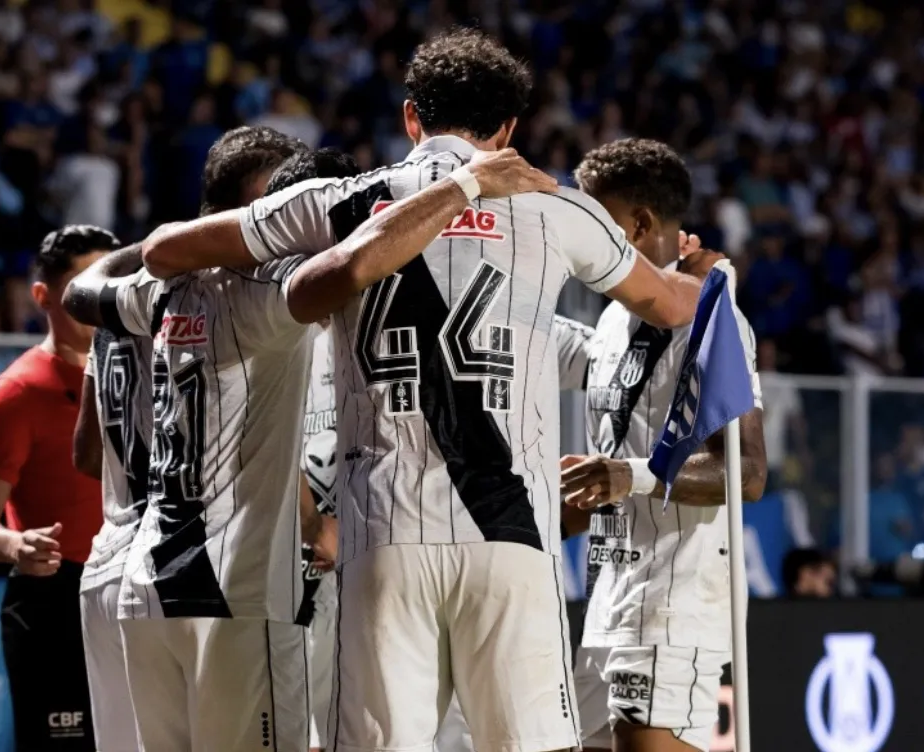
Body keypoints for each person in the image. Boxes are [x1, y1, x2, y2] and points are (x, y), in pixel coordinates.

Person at [137, 29, 719, 752]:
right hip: (511, 535)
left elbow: (165, 250)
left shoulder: (340, 201)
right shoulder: (559, 209)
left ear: (412, 117)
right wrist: (709, 272)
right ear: (508, 128)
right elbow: (668, 306)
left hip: (384, 534)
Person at [62, 146, 556, 751]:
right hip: (236, 590)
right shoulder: (265, 295)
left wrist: (161, 245)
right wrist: (461, 186)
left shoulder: (158, 294)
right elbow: (351, 268)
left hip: (149, 585)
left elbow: (80, 295)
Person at [68, 125, 312, 752]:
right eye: (278, 201)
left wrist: (155, 244)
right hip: (215, 564)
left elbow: (87, 451)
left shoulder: (131, 297)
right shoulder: (248, 295)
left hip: (125, 561)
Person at [555, 139, 767, 752]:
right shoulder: (614, 317)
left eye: (597, 219)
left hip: (672, 608)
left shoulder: (713, 319)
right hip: (611, 601)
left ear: (642, 224)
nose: (582, 235)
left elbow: (748, 474)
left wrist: (630, 477)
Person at [0, 225, 120, 751]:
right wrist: (15, 545)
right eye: (80, 284)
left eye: (107, 279)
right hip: (53, 601)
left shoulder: (140, 375)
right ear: (42, 296)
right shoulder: (17, 392)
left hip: (129, 594)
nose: (94, 296)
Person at [262, 148, 363, 752]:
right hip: (286, 572)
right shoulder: (266, 324)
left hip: (367, 564)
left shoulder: (372, 314)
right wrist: (312, 524)